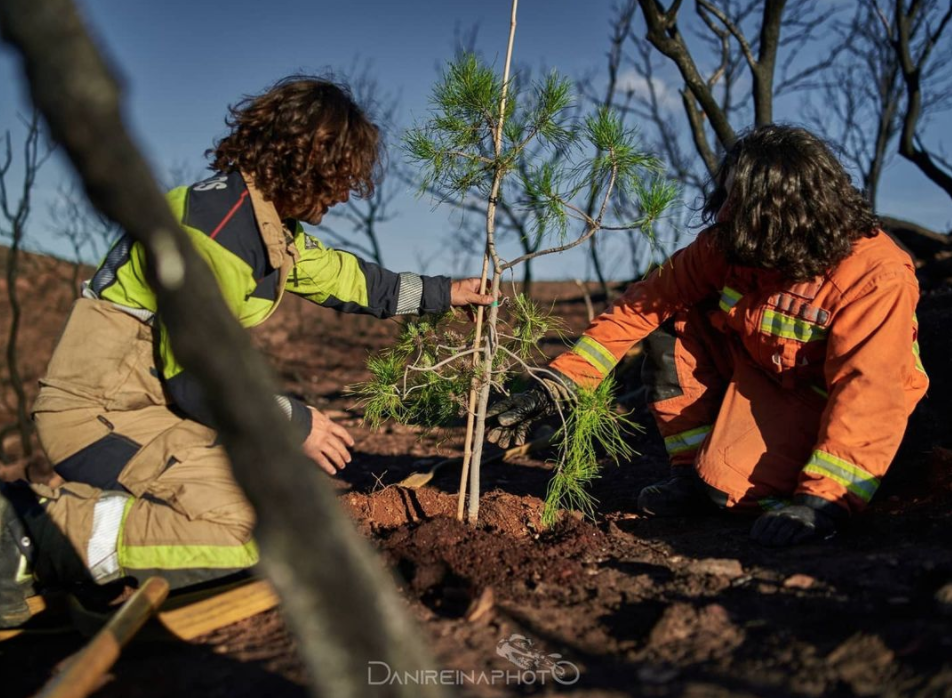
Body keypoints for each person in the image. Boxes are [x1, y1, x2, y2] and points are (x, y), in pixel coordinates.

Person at [0, 75, 492, 626]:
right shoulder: (215, 234)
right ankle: (28, 528)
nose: (347, 192)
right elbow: (197, 379)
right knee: (250, 529)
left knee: (284, 505)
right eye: (342, 175)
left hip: (152, 409)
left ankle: (89, 542)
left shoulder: (260, 221)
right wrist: (293, 421)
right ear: (309, 160)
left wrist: (445, 292)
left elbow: (348, 279)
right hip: (100, 417)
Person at [486, 124, 929, 547]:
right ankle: (689, 474)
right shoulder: (735, 244)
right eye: (727, 196)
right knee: (668, 312)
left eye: (740, 203)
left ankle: (777, 482)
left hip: (825, 401)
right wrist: (560, 382)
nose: (722, 214)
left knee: (732, 492)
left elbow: (868, 395)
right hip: (763, 372)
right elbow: (642, 304)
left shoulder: (876, 276)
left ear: (788, 210)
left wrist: (822, 502)